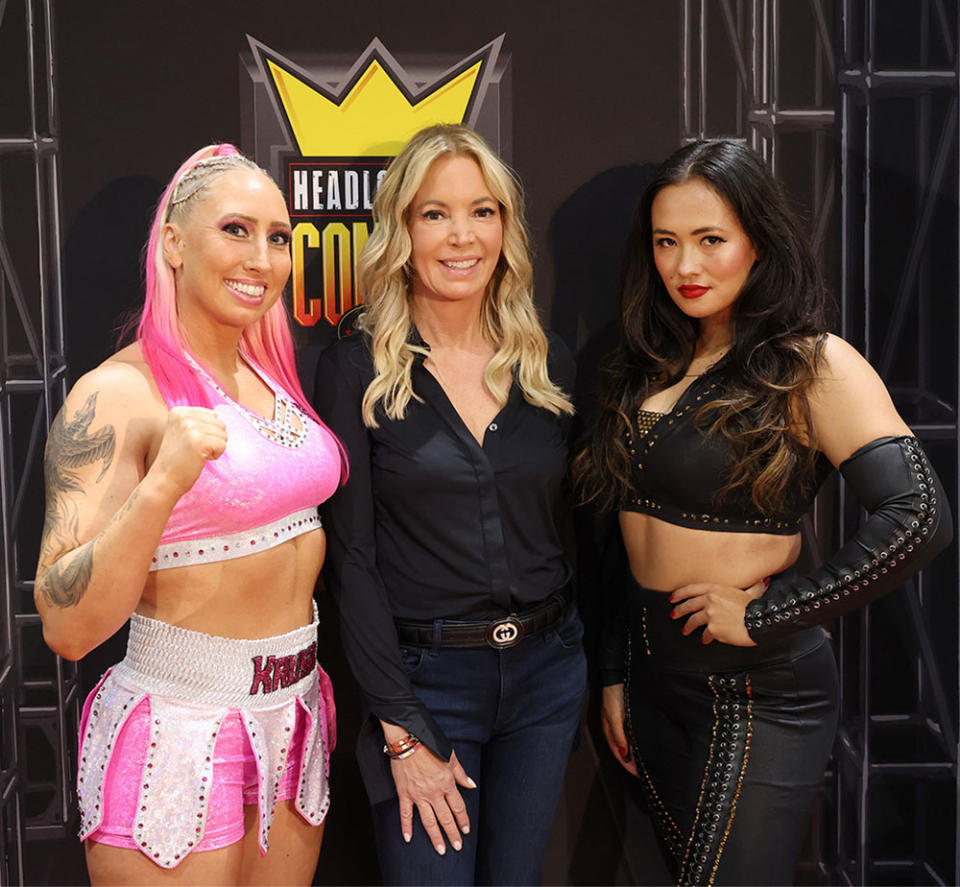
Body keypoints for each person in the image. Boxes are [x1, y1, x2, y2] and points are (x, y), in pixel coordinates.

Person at [575, 139, 952, 886]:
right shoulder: (643, 365)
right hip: (654, 687)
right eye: (667, 242)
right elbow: (617, 541)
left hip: (756, 688)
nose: (686, 266)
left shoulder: (811, 363)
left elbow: (920, 516)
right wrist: (616, 671)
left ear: (758, 242)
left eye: (711, 240)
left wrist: (765, 615)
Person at [34, 144, 346, 886]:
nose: (262, 256)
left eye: (278, 236)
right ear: (173, 241)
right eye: (235, 229)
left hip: (293, 713)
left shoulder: (270, 375)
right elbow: (65, 624)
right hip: (180, 726)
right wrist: (161, 484)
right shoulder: (117, 395)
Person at [315, 123, 585, 886]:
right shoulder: (357, 367)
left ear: (506, 225)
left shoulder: (545, 363)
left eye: (483, 211)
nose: (462, 235)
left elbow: (575, 530)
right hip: (426, 683)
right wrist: (401, 728)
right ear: (401, 229)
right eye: (435, 213)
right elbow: (353, 560)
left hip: (546, 675)